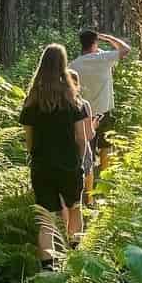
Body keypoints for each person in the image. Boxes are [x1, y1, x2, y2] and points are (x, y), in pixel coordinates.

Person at [20, 44, 89, 268]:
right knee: (74, 208)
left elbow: (29, 139)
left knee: (46, 218)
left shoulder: (32, 101)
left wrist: (34, 156)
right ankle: (75, 253)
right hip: (69, 163)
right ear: (63, 64)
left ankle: (48, 266)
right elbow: (81, 137)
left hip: (41, 166)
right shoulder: (72, 99)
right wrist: (79, 160)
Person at [69, 29, 131, 175]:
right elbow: (126, 49)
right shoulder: (104, 58)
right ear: (95, 42)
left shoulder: (74, 65)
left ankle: (85, 178)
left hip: (84, 113)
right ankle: (104, 175)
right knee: (105, 145)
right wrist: (109, 37)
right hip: (104, 110)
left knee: (86, 146)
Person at [68, 68, 98, 207]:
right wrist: (94, 126)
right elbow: (89, 134)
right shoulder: (84, 104)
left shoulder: (58, 104)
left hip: (65, 147)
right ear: (77, 85)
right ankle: (89, 201)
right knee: (87, 171)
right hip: (82, 147)